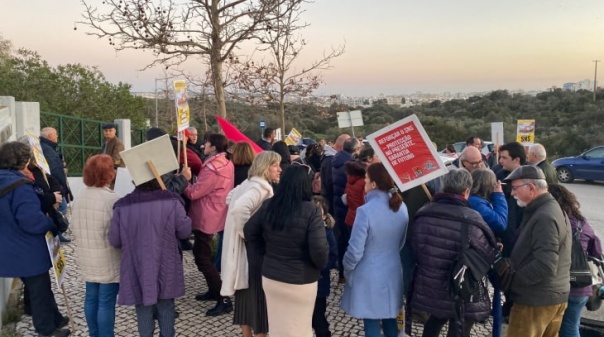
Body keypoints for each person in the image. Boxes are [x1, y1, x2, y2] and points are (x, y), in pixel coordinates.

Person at [411, 169, 500, 337]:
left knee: (433, 323)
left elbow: (415, 249)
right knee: (460, 329)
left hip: (431, 285)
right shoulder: (472, 218)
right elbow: (487, 255)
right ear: (466, 191)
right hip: (461, 288)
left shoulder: (423, 213)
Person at [244, 165, 329, 337]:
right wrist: (318, 266)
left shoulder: (269, 205)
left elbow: (249, 231)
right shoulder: (311, 210)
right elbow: (319, 249)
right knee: (300, 329)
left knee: (277, 329)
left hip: (272, 276)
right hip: (301, 279)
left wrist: (265, 251)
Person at [0, 141, 70, 337]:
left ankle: (54, 318)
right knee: (39, 291)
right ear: (24, 161)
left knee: (40, 287)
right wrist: (49, 223)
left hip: (9, 246)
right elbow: (31, 221)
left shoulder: (4, 180)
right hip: (26, 250)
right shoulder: (19, 187)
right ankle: (46, 330)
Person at [109, 178, 191, 337]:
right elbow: (185, 231)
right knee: (166, 304)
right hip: (166, 264)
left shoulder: (122, 206)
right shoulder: (172, 201)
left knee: (143, 307)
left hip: (136, 266)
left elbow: (115, 240)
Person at [497, 166, 571, 337]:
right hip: (549, 296)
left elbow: (545, 265)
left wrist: (513, 282)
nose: (512, 193)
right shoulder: (547, 208)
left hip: (535, 300)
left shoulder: (545, 216)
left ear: (531, 187)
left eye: (515, 188)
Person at [340, 163, 409, 337]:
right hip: (392, 270)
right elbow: (401, 242)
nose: (364, 182)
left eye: (366, 179)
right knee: (390, 317)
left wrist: (347, 269)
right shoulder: (402, 207)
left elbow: (355, 251)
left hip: (368, 273)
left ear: (374, 184)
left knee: (370, 319)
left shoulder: (365, 211)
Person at [220, 151, 282, 337]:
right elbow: (239, 208)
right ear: (265, 167)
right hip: (253, 253)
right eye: (275, 165)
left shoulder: (249, 184)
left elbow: (230, 198)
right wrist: (249, 234)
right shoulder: (260, 188)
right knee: (258, 300)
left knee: (245, 298)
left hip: (244, 252)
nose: (279, 169)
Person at [184, 133, 235, 316]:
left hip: (207, 215)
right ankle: (215, 291)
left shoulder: (213, 168)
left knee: (203, 257)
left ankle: (224, 298)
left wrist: (183, 180)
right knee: (202, 255)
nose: (203, 144)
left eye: (206, 142)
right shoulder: (226, 162)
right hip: (216, 212)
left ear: (213, 147)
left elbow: (194, 193)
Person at [71, 155, 121, 337]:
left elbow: (74, 227)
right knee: (106, 301)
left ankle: (94, 334)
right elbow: (117, 234)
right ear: (108, 174)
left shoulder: (80, 197)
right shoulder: (112, 199)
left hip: (86, 256)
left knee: (91, 297)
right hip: (108, 257)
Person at [548, 184, 601, 337]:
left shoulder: (551, 220)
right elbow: (597, 251)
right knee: (572, 326)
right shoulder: (581, 222)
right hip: (581, 287)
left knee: (550, 327)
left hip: (557, 285)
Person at [467, 168, 508, 337]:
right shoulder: (477, 203)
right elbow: (500, 223)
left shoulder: (477, 201)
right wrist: (500, 196)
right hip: (479, 257)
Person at [332, 136, 359, 283]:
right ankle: (350, 274)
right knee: (351, 242)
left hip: (338, 206)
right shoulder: (352, 166)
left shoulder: (336, 161)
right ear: (355, 150)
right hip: (350, 208)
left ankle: (342, 273)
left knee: (342, 240)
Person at [310, 196, 337, 337]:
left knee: (318, 316)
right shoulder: (305, 231)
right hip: (307, 281)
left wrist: (321, 266)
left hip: (320, 283)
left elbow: (333, 256)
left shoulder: (328, 233)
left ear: (324, 215)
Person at [39, 127, 72, 243]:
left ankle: (57, 233)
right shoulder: (47, 149)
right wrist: (62, 185)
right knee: (61, 207)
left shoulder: (45, 147)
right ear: (50, 136)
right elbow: (54, 169)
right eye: (56, 135)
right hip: (55, 184)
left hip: (52, 183)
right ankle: (57, 233)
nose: (57, 137)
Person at [344, 145, 380, 227]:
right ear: (369, 158)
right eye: (377, 156)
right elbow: (368, 203)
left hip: (352, 218)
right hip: (362, 222)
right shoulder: (366, 178)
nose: (380, 159)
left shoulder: (355, 173)